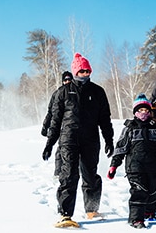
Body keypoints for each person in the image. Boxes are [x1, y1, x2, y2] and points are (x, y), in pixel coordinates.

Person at [42, 53, 115, 228]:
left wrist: (109, 140)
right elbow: (55, 121)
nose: (85, 73)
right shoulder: (63, 92)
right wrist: (49, 144)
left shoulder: (97, 91)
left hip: (90, 139)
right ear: (75, 71)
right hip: (69, 140)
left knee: (90, 175)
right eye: (81, 70)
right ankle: (65, 214)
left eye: (87, 70)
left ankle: (92, 209)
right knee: (68, 175)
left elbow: (105, 118)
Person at [107, 93, 156, 229]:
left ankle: (149, 211)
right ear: (135, 112)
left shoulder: (155, 128)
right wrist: (114, 165)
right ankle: (136, 219)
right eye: (140, 110)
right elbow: (121, 148)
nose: (144, 113)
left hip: (152, 166)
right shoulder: (130, 128)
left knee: (154, 191)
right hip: (134, 167)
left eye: (146, 110)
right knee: (139, 191)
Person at [41, 71, 73, 177]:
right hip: (62, 125)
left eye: (69, 80)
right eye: (65, 80)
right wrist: (45, 126)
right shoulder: (58, 93)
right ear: (63, 81)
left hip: (75, 126)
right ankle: (58, 173)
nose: (68, 82)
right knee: (61, 149)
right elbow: (51, 112)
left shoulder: (77, 92)